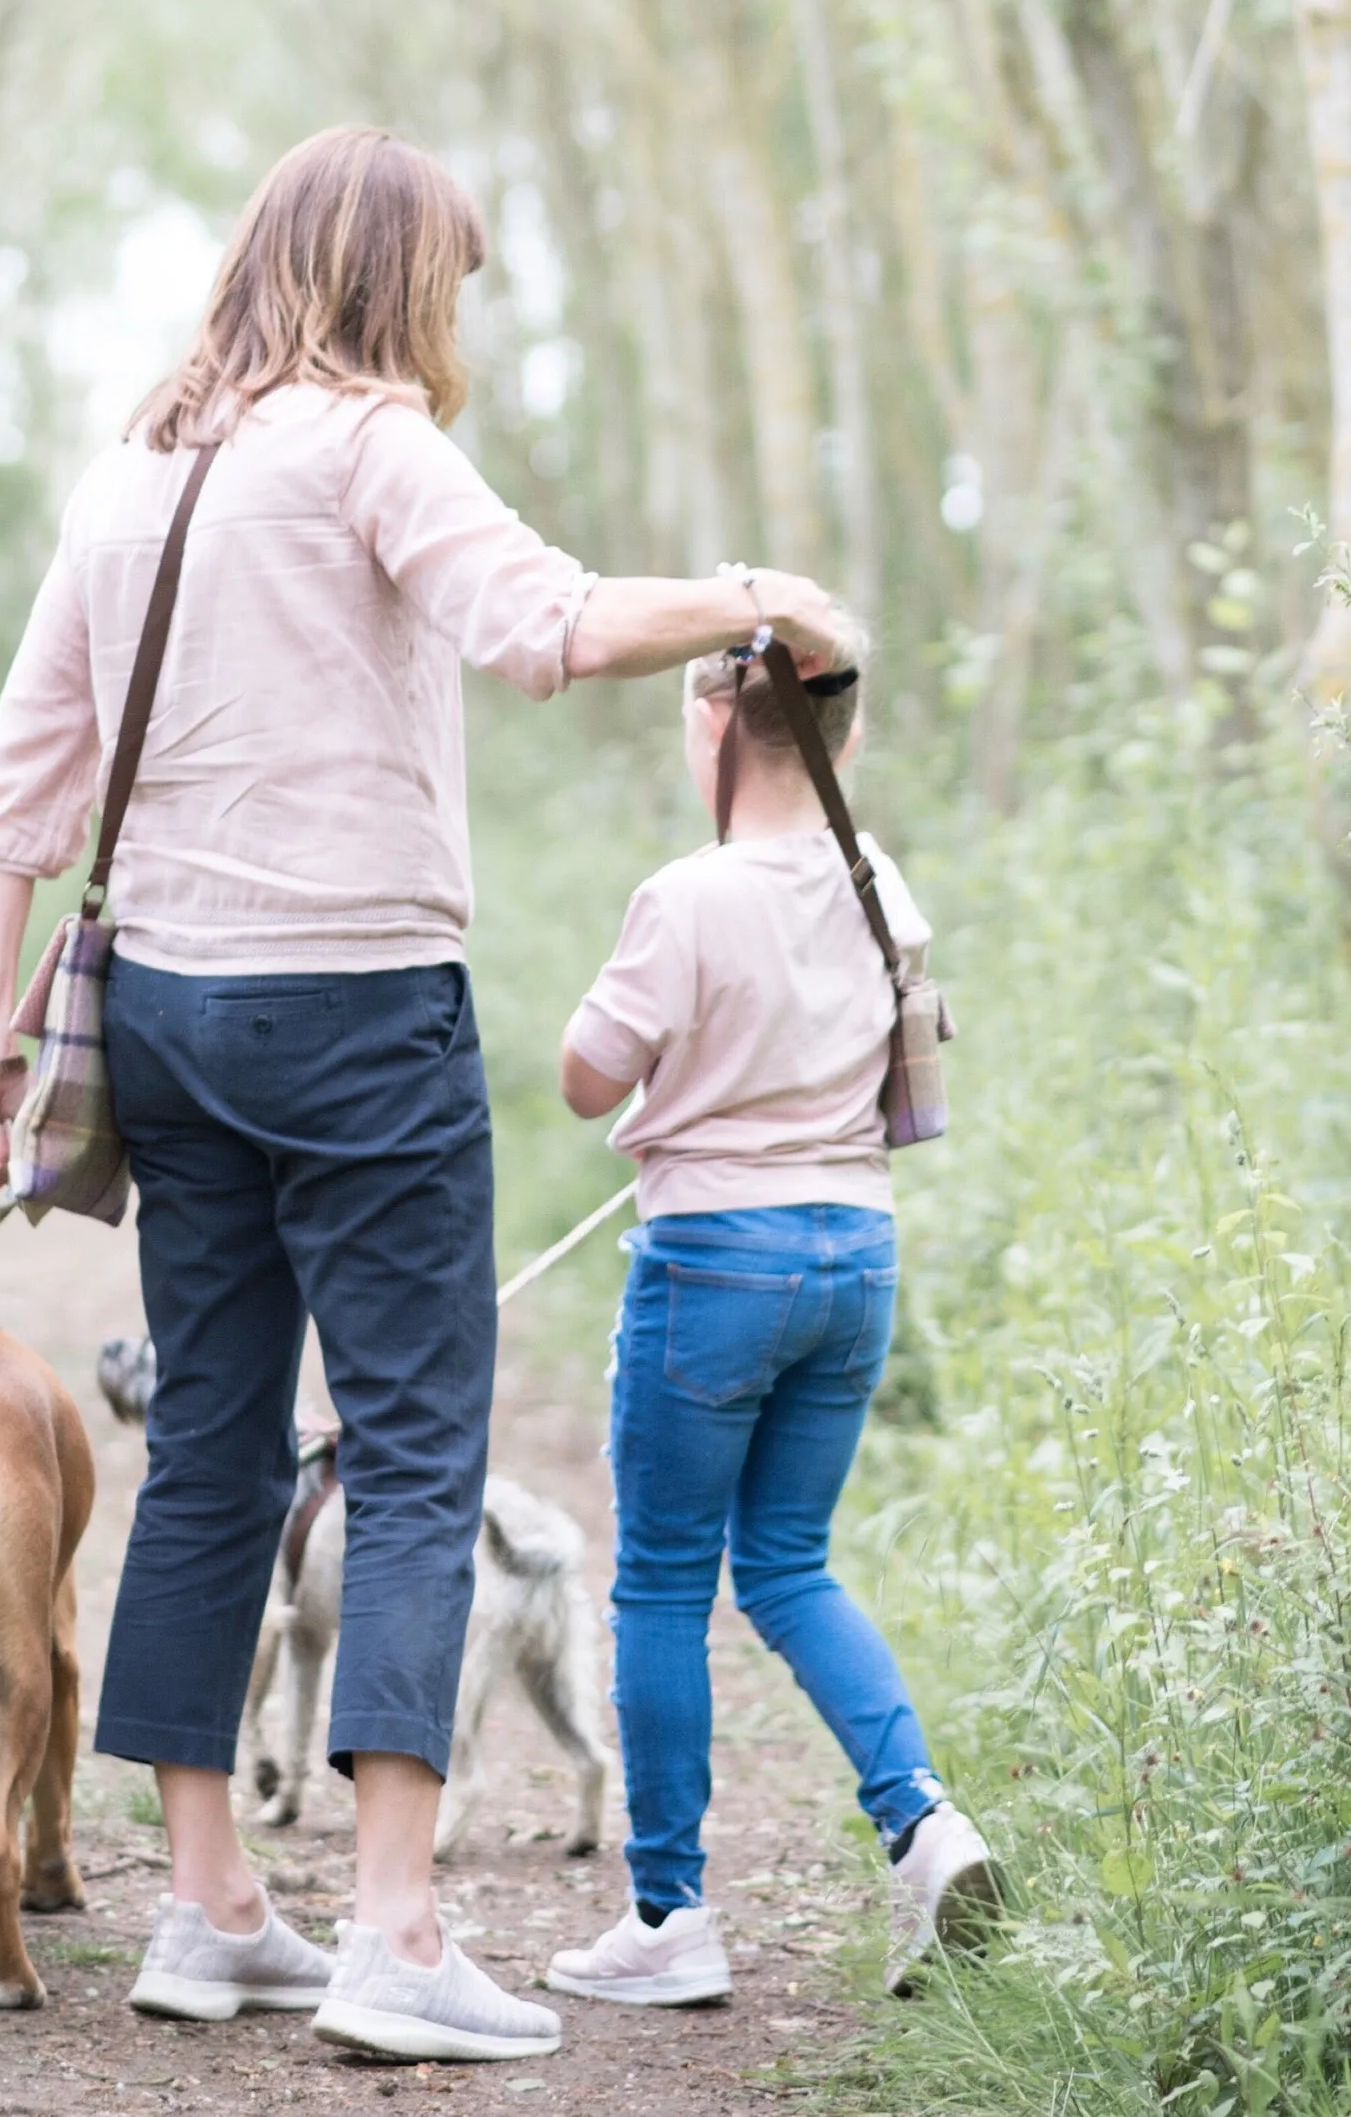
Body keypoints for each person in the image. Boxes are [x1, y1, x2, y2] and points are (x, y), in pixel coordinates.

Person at [0, 126, 851, 2067]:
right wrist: (759, 591)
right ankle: (397, 1929)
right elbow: (550, 628)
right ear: (388, 279)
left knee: (214, 1445)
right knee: (423, 1445)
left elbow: (7, 798)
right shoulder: (364, 440)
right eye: (447, 280)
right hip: (356, 1012)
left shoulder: (133, 471)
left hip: (171, 1022)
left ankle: (206, 1911)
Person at [540, 639, 996, 2010]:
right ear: (844, 745)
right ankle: (925, 1822)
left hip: (715, 1262)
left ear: (711, 727)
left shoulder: (687, 897)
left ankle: (669, 1916)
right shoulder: (882, 885)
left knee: (665, 1583)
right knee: (789, 1564)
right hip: (855, 1256)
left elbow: (581, 1078)